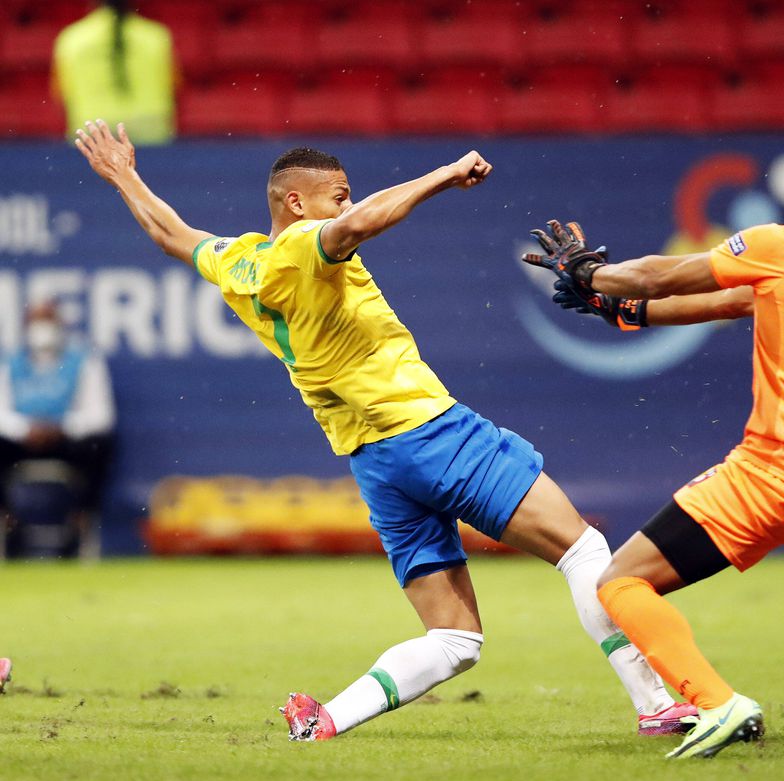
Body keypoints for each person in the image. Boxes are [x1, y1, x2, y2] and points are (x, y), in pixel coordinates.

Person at [72, 119, 696, 741]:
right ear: (297, 203)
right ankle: (656, 705)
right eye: (338, 192)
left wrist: (123, 175)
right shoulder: (301, 246)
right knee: (583, 551)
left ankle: (325, 721)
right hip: (429, 431)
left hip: (376, 462)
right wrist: (446, 175)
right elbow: (358, 224)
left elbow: (170, 234)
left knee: (455, 638)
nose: (347, 201)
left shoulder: (241, 261)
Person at [527, 142, 784, 759]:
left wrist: (593, 276)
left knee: (617, 585)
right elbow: (731, 300)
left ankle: (718, 703)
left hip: (777, 473)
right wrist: (626, 313)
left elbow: (665, 272)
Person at [0, 302, 116, 557]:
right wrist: (26, 430)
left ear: (60, 324)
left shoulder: (83, 359)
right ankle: (7, 518)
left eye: (48, 319)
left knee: (100, 444)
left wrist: (61, 428)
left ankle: (81, 517)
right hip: (21, 444)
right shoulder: (10, 360)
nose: (42, 328)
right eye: (36, 320)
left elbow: (101, 415)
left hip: (67, 443)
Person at [52, 0, 178, 144]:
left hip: (93, 134)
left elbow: (61, 94)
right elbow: (174, 87)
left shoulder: (71, 39)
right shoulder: (157, 37)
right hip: (150, 133)